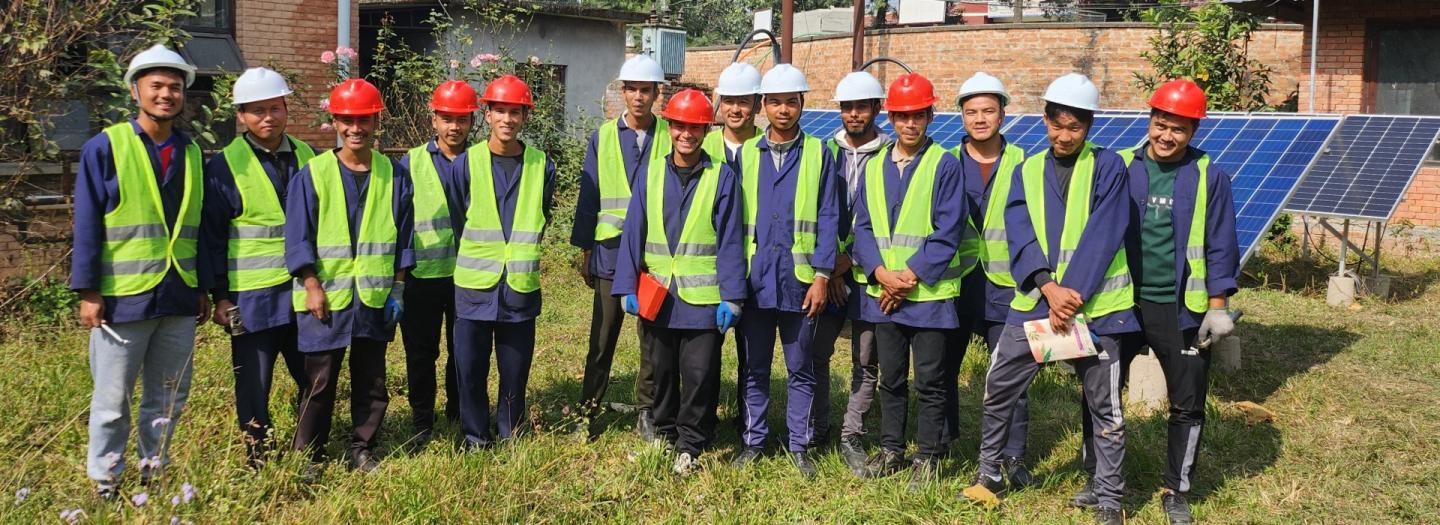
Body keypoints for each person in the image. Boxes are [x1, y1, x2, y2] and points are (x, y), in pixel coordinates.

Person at [962, 73, 1136, 525]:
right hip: (1039, 303)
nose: (1064, 136)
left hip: (1096, 310)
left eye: (1074, 128)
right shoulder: (1027, 170)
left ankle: (1109, 497)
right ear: (1045, 121)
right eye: (1056, 125)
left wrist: (1069, 295)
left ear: (1089, 126)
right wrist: (1048, 287)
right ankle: (990, 476)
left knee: (1105, 406)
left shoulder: (1110, 166)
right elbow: (1019, 233)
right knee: (999, 388)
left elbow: (1105, 231)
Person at [1074, 79, 1238, 525]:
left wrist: (1218, 306)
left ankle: (1176, 488)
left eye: (1178, 129)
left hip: (1179, 307)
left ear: (1194, 132)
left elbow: (1221, 242)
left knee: (1187, 401)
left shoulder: (1209, 177)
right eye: (1160, 124)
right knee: (1100, 394)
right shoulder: (1119, 167)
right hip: (1119, 302)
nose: (1166, 136)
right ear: (1149, 121)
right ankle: (1099, 479)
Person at [71, 44, 211, 499]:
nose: (167, 94)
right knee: (112, 402)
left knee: (167, 398)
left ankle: (155, 472)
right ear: (136, 91)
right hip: (122, 298)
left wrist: (203, 288)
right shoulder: (106, 147)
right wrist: (88, 290)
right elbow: (88, 222)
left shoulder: (192, 152)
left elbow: (200, 224)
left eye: (175, 87)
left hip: (178, 295)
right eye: (157, 86)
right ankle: (105, 481)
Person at [850, 73, 975, 490]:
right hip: (885, 295)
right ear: (891, 117)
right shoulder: (873, 166)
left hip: (928, 298)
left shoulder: (945, 165)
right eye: (902, 116)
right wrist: (881, 274)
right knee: (891, 378)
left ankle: (928, 456)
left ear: (930, 116)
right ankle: (891, 449)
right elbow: (863, 229)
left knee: (931, 382)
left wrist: (908, 276)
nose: (909, 124)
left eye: (917, 115)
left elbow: (948, 229)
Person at [613, 89, 746, 476]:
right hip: (658, 295)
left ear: (705, 130)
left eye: (695, 127)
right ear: (670, 126)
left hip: (703, 300)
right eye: (680, 125)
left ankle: (691, 443)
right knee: (662, 371)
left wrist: (733, 296)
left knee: (700, 374)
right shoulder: (651, 172)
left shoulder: (722, 176)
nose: (686, 133)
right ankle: (665, 433)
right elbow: (633, 231)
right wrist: (625, 286)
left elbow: (731, 239)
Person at [286, 78, 414, 474]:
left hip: (374, 298)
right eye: (347, 120)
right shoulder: (314, 174)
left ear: (377, 121)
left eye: (364, 119)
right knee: (319, 382)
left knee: (372, 382)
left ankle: (362, 448)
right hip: (326, 298)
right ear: (335, 122)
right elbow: (298, 236)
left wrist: (398, 286)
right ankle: (309, 456)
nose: (355, 128)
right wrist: (310, 285)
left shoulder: (395, 176)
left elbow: (404, 236)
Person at [731, 63, 840, 478]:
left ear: (801, 105)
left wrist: (822, 277)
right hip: (755, 281)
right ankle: (753, 442)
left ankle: (799, 445)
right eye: (774, 102)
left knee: (801, 369)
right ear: (763, 105)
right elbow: (732, 224)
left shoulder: (819, 154)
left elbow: (829, 217)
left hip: (800, 284)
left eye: (790, 102)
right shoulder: (746, 157)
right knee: (754, 368)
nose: (782, 109)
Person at [201, 67, 314, 467]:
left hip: (302, 293)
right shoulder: (223, 166)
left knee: (314, 377)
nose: (268, 117)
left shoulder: (308, 156)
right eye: (257, 111)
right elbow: (212, 238)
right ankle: (259, 457)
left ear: (286, 108)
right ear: (241, 116)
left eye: (275, 108)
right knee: (254, 383)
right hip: (251, 299)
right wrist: (220, 296)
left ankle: (308, 448)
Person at [447, 75, 557, 449]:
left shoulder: (543, 165)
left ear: (525, 116)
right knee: (470, 369)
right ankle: (475, 436)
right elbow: (458, 216)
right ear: (487, 114)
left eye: (515, 112)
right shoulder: (466, 163)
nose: (507, 119)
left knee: (515, 370)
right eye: (500, 111)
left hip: (519, 289)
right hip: (474, 287)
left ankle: (512, 432)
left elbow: (542, 215)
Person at [942, 72, 1033, 487]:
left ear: (1002, 114)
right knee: (941, 367)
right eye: (972, 111)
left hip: (1006, 284)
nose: (980, 119)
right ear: (961, 115)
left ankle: (1013, 456)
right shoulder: (943, 162)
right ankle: (941, 442)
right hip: (955, 283)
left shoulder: (1025, 164)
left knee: (1010, 374)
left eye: (988, 111)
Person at [573, 55, 667, 438]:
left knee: (652, 340)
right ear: (623, 92)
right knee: (602, 337)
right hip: (611, 255)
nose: (639, 97)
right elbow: (588, 196)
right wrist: (585, 250)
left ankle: (647, 412)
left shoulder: (669, 135)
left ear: (657, 94)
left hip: (653, 255)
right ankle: (588, 412)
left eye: (646, 90)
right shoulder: (604, 137)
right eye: (633, 90)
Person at [812, 69, 891, 476]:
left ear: (877, 108)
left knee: (865, 359)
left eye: (863, 106)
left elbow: (883, 221)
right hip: (832, 273)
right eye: (847, 107)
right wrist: (833, 269)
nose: (854, 114)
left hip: (871, 277)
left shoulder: (892, 155)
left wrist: (854, 263)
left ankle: (851, 433)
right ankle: (818, 425)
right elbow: (816, 214)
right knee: (817, 352)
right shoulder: (823, 152)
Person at [396, 80, 476, 442]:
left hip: (469, 276)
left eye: (461, 119)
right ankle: (421, 420)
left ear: (473, 121)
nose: (453, 127)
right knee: (421, 352)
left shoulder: (482, 161)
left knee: (464, 351)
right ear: (434, 120)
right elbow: (398, 220)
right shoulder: (409, 163)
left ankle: (459, 413)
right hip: (422, 276)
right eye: (447, 118)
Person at [703, 61, 763, 164]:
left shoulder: (768, 148)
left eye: (743, 102)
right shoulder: (704, 145)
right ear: (721, 104)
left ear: (758, 107)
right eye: (728, 101)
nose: (735, 110)